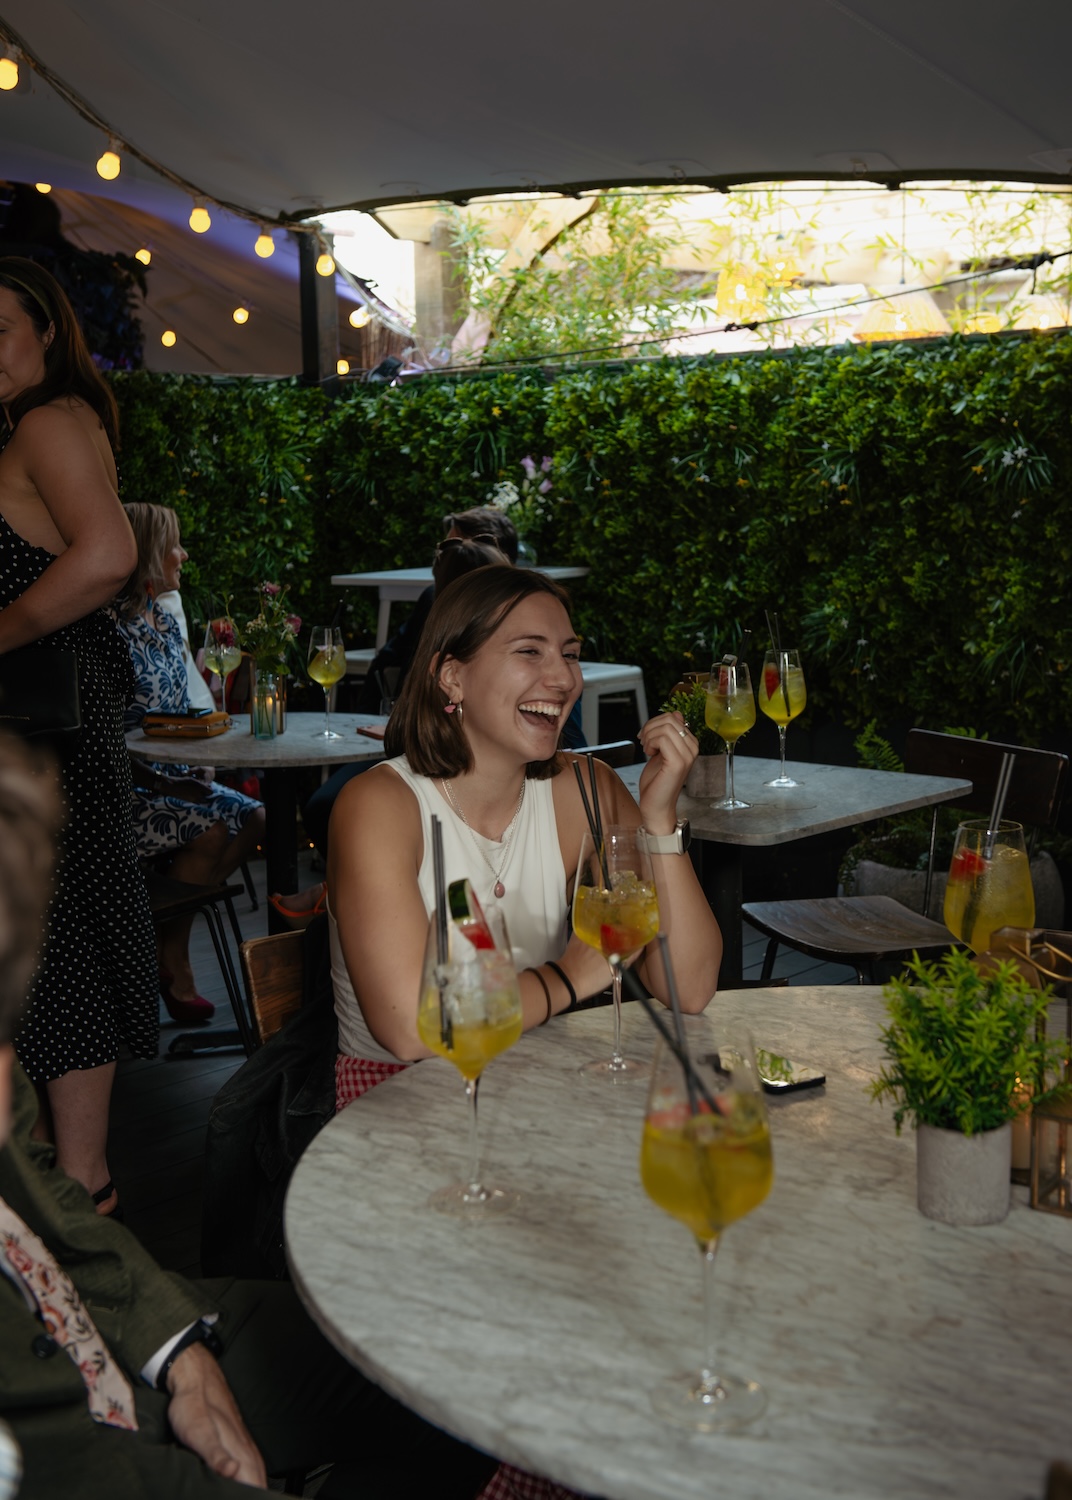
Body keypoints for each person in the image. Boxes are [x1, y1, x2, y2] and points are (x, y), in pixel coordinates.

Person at [0, 730, 501, 1500]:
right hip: (68, 1441)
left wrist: (184, 1358)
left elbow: (40, 1193)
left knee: (463, 1371)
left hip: (106, 1320)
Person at [328, 565, 722, 1114]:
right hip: (407, 1098)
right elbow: (411, 1028)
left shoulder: (586, 790)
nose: (562, 678)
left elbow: (690, 988)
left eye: (570, 653)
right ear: (452, 676)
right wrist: (569, 976)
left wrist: (657, 823)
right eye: (530, 652)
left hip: (535, 1080)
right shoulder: (379, 806)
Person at [0, 255, 158, 1217]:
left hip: (40, 718)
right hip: (55, 716)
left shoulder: (47, 420)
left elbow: (108, 556)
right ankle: (78, 1189)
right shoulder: (50, 423)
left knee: (55, 940)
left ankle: (83, 1192)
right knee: (60, 934)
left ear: (48, 332)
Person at [117, 503, 265, 1025]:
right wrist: (162, 777)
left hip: (164, 775)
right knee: (207, 829)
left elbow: (181, 705)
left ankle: (166, 938)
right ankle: (175, 963)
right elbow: (103, 737)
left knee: (253, 817)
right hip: (120, 788)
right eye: (171, 545)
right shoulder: (107, 629)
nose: (182, 554)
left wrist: (196, 761)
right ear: (143, 554)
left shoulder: (161, 614)